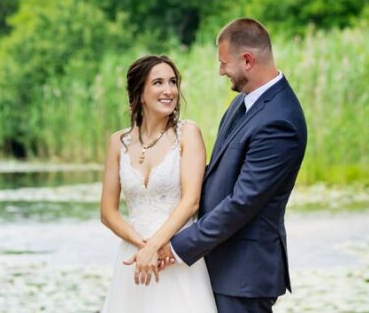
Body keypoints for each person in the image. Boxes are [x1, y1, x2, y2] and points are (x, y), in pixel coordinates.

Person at [127, 18, 309, 313]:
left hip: (243, 275)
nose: (221, 70)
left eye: (224, 63)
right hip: (216, 265)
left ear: (247, 60)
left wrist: (175, 246)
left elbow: (242, 202)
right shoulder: (242, 103)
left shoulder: (280, 121)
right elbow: (216, 175)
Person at [99, 54, 217, 312]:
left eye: (173, 82)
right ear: (140, 93)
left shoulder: (188, 134)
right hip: (134, 258)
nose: (169, 90)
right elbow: (108, 212)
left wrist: (156, 246)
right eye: (159, 83)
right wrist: (142, 247)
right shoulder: (118, 142)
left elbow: (191, 201)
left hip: (174, 256)